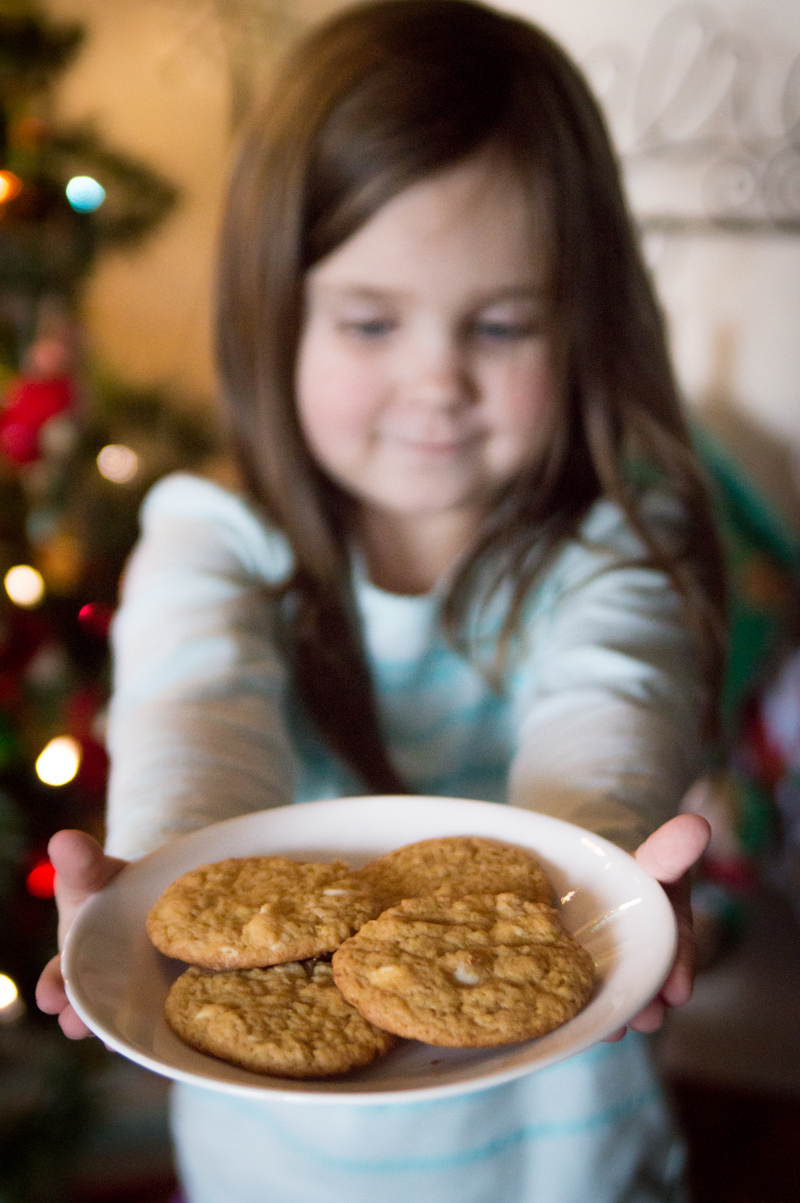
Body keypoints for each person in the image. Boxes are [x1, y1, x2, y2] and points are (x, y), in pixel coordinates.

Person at [37, 1, 725, 1199]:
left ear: (583, 320)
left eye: (500, 323)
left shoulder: (610, 538)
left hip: (563, 1156)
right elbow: (197, 701)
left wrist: (598, 867)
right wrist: (159, 870)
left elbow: (611, 695)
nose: (437, 381)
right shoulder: (217, 541)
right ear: (276, 314)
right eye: (368, 322)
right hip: (275, 1164)